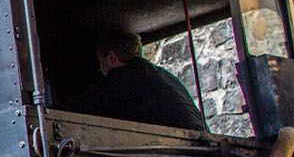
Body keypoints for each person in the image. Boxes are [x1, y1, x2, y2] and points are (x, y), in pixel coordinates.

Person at [63, 31, 207, 131]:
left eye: (101, 62)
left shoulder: (124, 77)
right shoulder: (161, 74)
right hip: (199, 143)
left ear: (112, 57)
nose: (100, 70)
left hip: (178, 147)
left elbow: (88, 105)